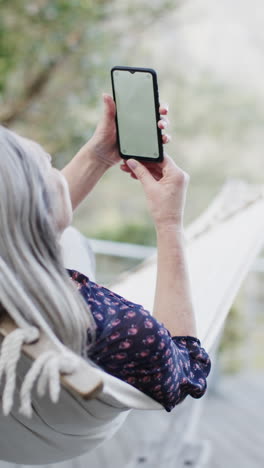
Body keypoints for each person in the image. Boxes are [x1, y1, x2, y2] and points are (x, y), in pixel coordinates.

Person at [0, 93, 211, 414]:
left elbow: (20, 227)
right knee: (73, 240)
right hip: (64, 431)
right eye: (49, 166)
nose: (57, 171)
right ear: (29, 202)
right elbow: (188, 371)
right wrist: (169, 223)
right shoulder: (112, 324)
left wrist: (99, 155)